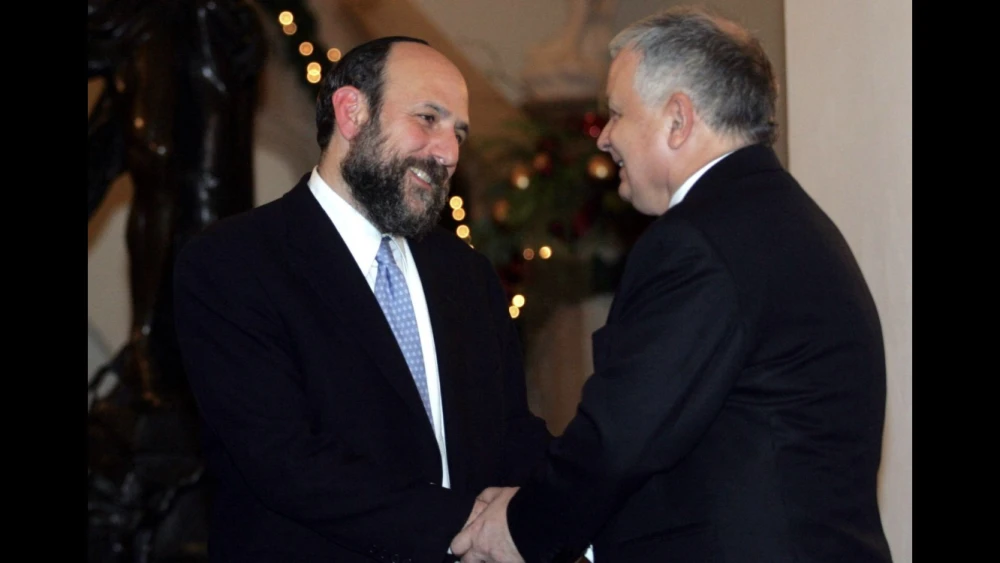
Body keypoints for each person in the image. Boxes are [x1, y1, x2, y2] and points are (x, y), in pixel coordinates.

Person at [452, 6, 893, 563]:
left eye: (615, 114)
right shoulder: (777, 218)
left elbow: (622, 436)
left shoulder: (701, 239)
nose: (604, 138)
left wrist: (517, 528)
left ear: (678, 120)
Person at [172, 36, 551, 563]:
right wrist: (471, 526)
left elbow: (513, 432)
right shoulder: (234, 262)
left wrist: (549, 516)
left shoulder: (466, 273)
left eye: (458, 133)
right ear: (352, 112)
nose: (448, 153)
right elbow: (285, 460)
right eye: (428, 118)